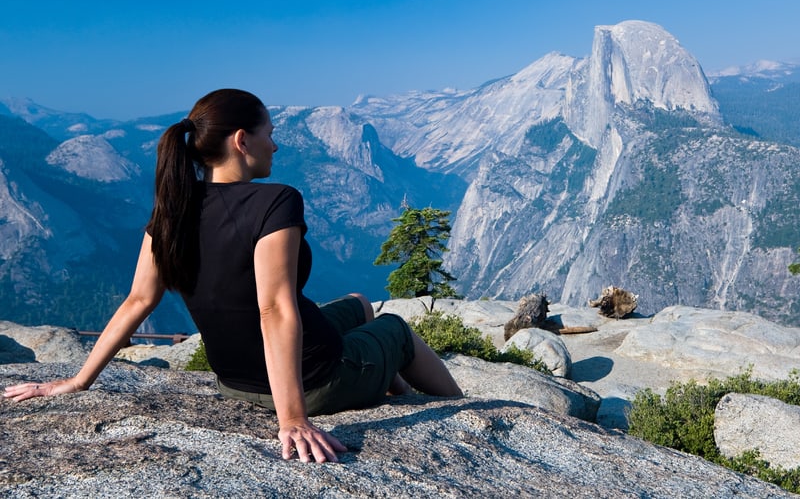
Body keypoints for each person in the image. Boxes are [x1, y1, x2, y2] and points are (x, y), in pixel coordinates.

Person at [3, 88, 462, 463]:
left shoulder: (171, 212)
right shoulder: (275, 201)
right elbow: (274, 308)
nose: (276, 145)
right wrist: (293, 419)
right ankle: (458, 409)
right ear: (242, 141)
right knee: (397, 329)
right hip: (315, 379)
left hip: (234, 382)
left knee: (362, 304)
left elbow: (138, 301)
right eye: (270, 135)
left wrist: (77, 381)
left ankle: (391, 390)